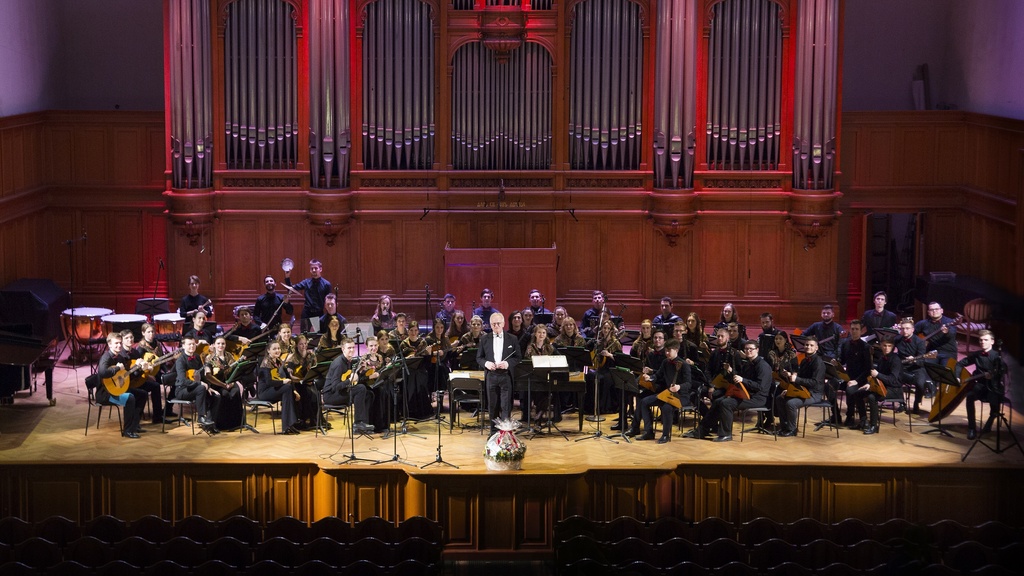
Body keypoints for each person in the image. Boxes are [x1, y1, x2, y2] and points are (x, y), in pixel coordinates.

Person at [689, 339, 772, 442]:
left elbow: (760, 387)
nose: (748, 351)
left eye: (751, 349)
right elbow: (740, 380)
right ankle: (701, 431)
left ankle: (726, 434)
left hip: (757, 398)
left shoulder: (763, 366)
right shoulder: (748, 364)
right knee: (718, 401)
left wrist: (743, 380)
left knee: (726, 403)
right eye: (746, 349)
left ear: (757, 350)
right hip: (745, 394)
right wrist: (731, 372)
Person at [629, 339, 690, 443]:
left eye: (669, 351)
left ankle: (666, 435)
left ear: (676, 350)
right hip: (667, 394)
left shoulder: (684, 365)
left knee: (666, 407)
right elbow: (658, 375)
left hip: (681, 396)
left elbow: (689, 383)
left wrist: (679, 387)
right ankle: (648, 432)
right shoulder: (665, 362)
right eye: (666, 350)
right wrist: (650, 378)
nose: (667, 353)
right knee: (644, 402)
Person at [95, 332, 147, 438]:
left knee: (142, 394)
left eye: (120, 343)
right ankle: (127, 431)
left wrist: (139, 368)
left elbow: (127, 375)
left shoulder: (120, 357)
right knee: (130, 398)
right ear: (109, 344)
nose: (119, 345)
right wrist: (117, 368)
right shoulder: (106, 357)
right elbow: (103, 373)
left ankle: (134, 425)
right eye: (116, 343)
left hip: (117, 390)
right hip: (105, 393)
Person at [957, 330, 1006, 440]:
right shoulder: (977, 355)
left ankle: (990, 422)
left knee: (995, 399)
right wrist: (957, 376)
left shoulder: (997, 356)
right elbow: (960, 364)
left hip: (994, 386)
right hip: (981, 386)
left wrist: (993, 376)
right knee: (970, 396)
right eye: (981, 340)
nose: (982, 342)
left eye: (985, 340)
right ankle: (971, 428)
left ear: (992, 341)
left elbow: (1003, 372)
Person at [477, 312, 522, 433]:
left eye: (498, 323)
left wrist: (507, 363)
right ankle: (493, 433)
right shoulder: (484, 339)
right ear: (490, 324)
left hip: (505, 376)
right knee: (492, 406)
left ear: (503, 324)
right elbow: (479, 357)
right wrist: (486, 363)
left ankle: (505, 433)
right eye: (493, 324)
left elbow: (518, 357)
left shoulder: (512, 338)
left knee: (505, 406)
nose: (496, 326)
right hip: (491, 376)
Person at [847, 338, 901, 435]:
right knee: (858, 393)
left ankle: (874, 426)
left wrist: (878, 374)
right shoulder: (881, 358)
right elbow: (875, 377)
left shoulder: (896, 360)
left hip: (894, 389)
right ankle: (863, 421)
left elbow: (892, 380)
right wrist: (869, 384)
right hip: (881, 386)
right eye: (884, 345)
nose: (886, 348)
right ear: (881, 346)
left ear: (893, 347)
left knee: (872, 397)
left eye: (889, 346)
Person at [775, 337, 825, 437]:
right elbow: (800, 378)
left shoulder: (819, 363)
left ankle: (792, 429)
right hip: (802, 391)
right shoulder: (804, 361)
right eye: (806, 345)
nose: (808, 347)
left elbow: (814, 382)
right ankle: (784, 427)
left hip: (813, 394)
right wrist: (790, 381)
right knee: (780, 398)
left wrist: (796, 379)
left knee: (791, 403)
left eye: (811, 345)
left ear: (816, 348)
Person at [175, 335, 220, 433]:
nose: (192, 346)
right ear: (183, 346)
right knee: (201, 388)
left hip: (196, 389)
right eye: (189, 344)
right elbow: (182, 381)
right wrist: (200, 383)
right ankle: (201, 417)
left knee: (216, 396)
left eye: (193, 344)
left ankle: (210, 424)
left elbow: (202, 375)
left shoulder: (196, 357)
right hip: (182, 390)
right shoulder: (180, 360)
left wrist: (209, 387)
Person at [119, 329, 165, 427]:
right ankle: (134, 423)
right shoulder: (121, 355)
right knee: (141, 394)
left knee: (155, 386)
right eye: (126, 338)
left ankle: (157, 417)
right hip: (127, 383)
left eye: (131, 337)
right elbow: (126, 374)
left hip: (137, 380)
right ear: (122, 340)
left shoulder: (135, 352)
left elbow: (140, 369)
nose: (130, 340)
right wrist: (137, 366)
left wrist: (147, 372)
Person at [257, 340, 304, 434]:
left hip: (274, 389)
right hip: (265, 392)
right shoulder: (266, 363)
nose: (277, 350)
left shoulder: (278, 361)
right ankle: (288, 425)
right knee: (287, 388)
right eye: (274, 349)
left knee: (290, 389)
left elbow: (287, 376)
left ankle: (291, 424)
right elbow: (269, 382)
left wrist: (294, 391)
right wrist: (283, 382)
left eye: (278, 348)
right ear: (268, 351)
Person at [203, 336, 245, 431]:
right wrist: (223, 385)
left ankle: (236, 423)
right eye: (218, 343)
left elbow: (235, 371)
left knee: (236, 391)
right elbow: (209, 376)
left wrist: (232, 383)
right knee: (225, 394)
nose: (221, 345)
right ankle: (222, 425)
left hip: (230, 382)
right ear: (214, 345)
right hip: (217, 384)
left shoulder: (229, 355)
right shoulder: (209, 358)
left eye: (223, 343)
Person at [839, 320, 873, 428]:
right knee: (830, 385)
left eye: (856, 329)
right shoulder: (845, 344)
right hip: (848, 377)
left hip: (860, 379)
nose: (854, 331)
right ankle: (835, 415)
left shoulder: (865, 347)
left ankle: (850, 416)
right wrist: (836, 363)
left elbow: (868, 369)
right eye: (852, 329)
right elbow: (842, 361)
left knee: (850, 390)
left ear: (861, 331)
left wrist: (856, 381)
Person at [285, 259, 332, 332]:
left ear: (320, 269)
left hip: (319, 313)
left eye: (315, 268)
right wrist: (287, 277)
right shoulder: (306, 282)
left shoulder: (327, 284)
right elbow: (291, 289)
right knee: (304, 334)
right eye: (312, 268)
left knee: (320, 334)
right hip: (307, 313)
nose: (313, 270)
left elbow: (329, 301)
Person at [895, 318, 929, 415]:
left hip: (916, 367)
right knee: (894, 378)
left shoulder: (920, 342)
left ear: (913, 330)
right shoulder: (897, 339)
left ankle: (916, 403)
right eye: (902, 329)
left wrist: (914, 360)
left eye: (907, 328)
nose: (904, 331)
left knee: (920, 383)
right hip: (902, 366)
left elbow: (922, 361)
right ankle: (901, 403)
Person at [914, 301, 958, 367]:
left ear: (941, 311)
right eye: (931, 310)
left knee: (946, 370)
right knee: (925, 367)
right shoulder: (923, 323)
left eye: (936, 309)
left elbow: (952, 334)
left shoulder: (950, 322)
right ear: (928, 313)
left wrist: (947, 332)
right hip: (932, 352)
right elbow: (912, 333)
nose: (934, 311)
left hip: (949, 352)